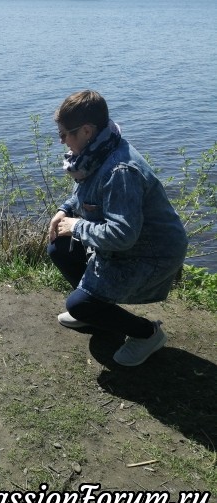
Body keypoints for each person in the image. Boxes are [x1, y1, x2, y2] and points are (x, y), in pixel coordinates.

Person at [47, 90, 188, 367]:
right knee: (59, 247)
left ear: (86, 130)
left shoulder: (120, 170)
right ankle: (97, 310)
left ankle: (147, 334)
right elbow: (84, 193)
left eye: (64, 134)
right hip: (130, 245)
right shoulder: (99, 149)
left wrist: (76, 225)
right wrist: (65, 210)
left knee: (77, 304)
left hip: (152, 254)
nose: (61, 141)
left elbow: (122, 235)